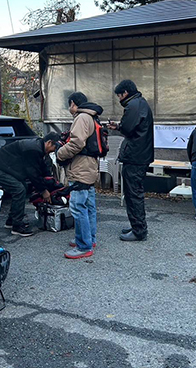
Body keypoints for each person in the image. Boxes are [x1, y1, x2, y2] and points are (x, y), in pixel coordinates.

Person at [57, 92, 104, 259]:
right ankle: (89, 239)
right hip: (90, 166)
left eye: (69, 105)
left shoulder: (81, 117)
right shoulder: (92, 117)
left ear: (73, 104)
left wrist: (60, 153)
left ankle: (84, 246)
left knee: (77, 206)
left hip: (81, 168)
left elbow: (76, 143)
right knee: (89, 204)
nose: (69, 108)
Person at [0, 132, 61, 236]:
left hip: (6, 166)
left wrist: (50, 181)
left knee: (22, 187)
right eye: (54, 148)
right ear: (49, 143)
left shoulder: (39, 147)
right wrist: (43, 191)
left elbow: (42, 168)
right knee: (19, 189)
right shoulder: (33, 149)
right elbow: (32, 173)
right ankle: (17, 226)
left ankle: (12, 220)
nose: (53, 151)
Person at [108, 80, 154, 242]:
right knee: (134, 192)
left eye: (119, 95)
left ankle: (139, 230)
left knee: (133, 194)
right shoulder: (140, 103)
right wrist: (118, 126)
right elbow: (132, 127)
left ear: (125, 93)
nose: (119, 99)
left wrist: (121, 126)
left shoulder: (133, 105)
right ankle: (137, 226)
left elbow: (128, 128)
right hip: (140, 155)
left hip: (135, 156)